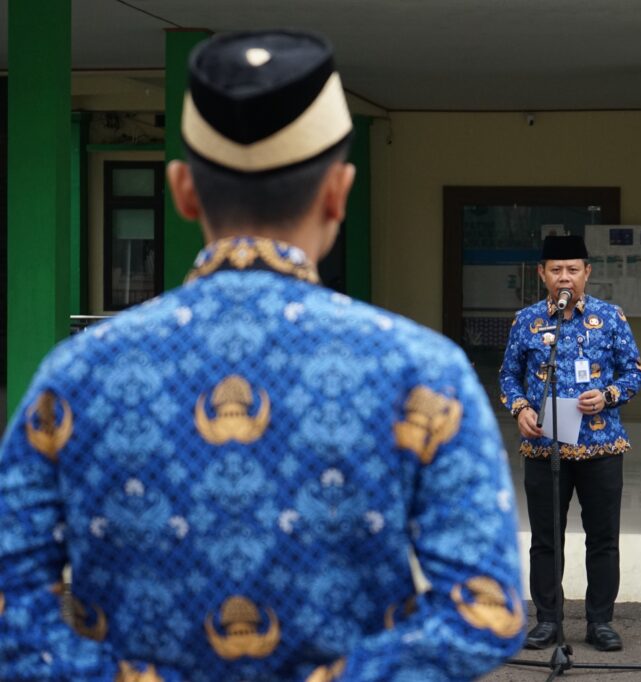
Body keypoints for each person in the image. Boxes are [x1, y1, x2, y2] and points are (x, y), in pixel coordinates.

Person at [0, 30, 524, 681]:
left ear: (182, 189)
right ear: (338, 192)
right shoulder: (423, 373)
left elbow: (12, 606)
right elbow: (484, 613)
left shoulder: (77, 373)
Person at [498, 235, 641, 652]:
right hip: (545, 447)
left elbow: (635, 372)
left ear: (587, 272)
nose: (565, 277)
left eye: (573, 269)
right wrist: (521, 409)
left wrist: (608, 395)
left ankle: (600, 622)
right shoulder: (526, 321)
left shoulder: (610, 317)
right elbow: (507, 376)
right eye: (556, 270)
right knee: (546, 540)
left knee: (603, 539)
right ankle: (548, 620)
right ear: (542, 274)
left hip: (602, 446)